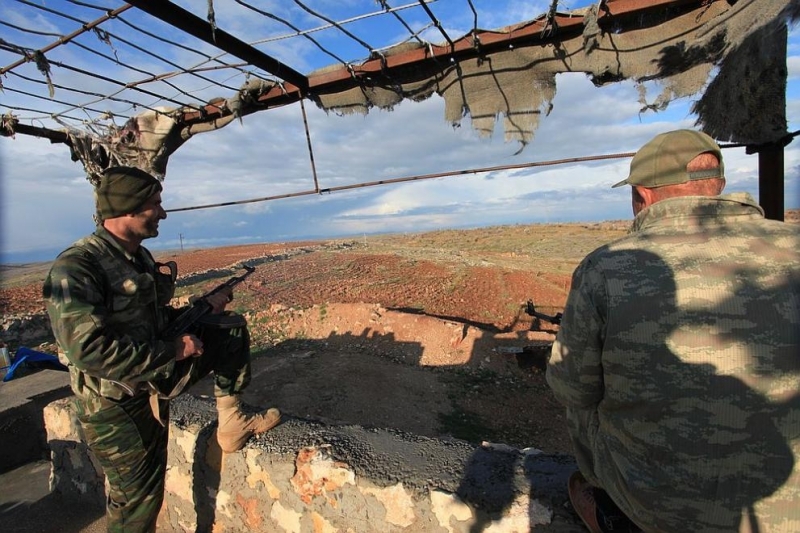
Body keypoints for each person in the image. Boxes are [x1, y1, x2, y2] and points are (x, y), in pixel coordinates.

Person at [546, 129, 800, 532]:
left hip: (660, 510)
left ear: (642, 196)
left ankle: (612, 503)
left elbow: (571, 389)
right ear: (717, 185)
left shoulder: (605, 268)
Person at [43, 166, 282, 532]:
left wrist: (198, 310)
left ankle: (232, 421)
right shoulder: (77, 267)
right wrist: (172, 351)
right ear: (128, 208)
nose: (163, 213)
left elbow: (151, 320)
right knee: (136, 501)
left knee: (228, 331)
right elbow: (88, 350)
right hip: (115, 405)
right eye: (155, 203)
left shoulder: (136, 257)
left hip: (149, 382)